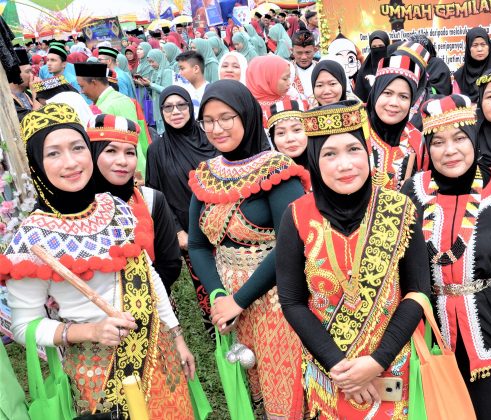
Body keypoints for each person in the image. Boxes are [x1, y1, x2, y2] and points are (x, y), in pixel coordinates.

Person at [3, 103, 195, 418]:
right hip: (99, 372)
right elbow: (24, 325)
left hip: (157, 351)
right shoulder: (32, 238)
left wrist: (176, 335)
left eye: (77, 147)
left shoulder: (115, 208)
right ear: (36, 163)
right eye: (54, 153)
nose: (71, 162)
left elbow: (147, 275)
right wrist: (90, 332)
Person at [277, 99, 431, 419]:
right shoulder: (296, 216)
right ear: (314, 160)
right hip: (331, 374)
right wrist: (338, 366)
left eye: (354, 149)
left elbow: (418, 292)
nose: (345, 164)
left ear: (368, 153)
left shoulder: (400, 209)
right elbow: (292, 301)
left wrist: (376, 361)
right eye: (330, 154)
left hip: (390, 368)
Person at [188, 80, 309, 419]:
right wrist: (218, 297)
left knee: (283, 394)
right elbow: (198, 244)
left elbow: (292, 245)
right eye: (208, 121)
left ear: (246, 116)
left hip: (277, 300)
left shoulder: (278, 170)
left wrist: (238, 301)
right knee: (248, 387)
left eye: (226, 117)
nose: (217, 128)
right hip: (229, 302)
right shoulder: (207, 175)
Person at [401, 94, 491, 419]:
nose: (450, 150)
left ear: (474, 138)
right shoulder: (411, 193)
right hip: (434, 338)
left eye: (459, 138)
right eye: (438, 142)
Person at [146, 85, 218, 336]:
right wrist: (176, 230)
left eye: (181, 105)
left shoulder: (211, 138)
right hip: (189, 231)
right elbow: (156, 194)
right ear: (161, 111)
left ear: (190, 107)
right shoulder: (157, 150)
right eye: (168, 107)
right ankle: (217, 332)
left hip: (224, 223)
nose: (175, 111)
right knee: (205, 282)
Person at [86, 114, 182, 293]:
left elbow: (170, 264)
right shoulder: (75, 207)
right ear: (92, 153)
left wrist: (137, 298)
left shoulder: (152, 200)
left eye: (130, 152)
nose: (122, 161)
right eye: (111, 151)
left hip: (151, 302)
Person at [75, 62, 152, 181]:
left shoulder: (108, 106)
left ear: (94, 83)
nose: (82, 91)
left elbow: (131, 143)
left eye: (82, 86)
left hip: (126, 173)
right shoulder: (120, 100)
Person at [366, 55, 426, 190]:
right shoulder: (354, 130)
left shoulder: (417, 141)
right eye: (387, 93)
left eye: (403, 97)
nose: (394, 103)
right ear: (376, 92)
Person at [454, 27, 491, 101]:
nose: (480, 49)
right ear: (469, 48)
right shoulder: (460, 75)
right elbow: (455, 101)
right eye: (475, 45)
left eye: (483, 44)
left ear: (489, 46)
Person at [246, 55, 295, 127]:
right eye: (285, 79)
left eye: (289, 77)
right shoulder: (248, 109)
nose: (289, 83)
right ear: (267, 79)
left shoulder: (292, 100)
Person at [136, 49, 175, 135]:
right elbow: (153, 93)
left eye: (152, 61)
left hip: (166, 107)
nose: (151, 64)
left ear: (158, 59)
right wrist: (147, 86)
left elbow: (167, 90)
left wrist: (151, 84)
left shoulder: (167, 72)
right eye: (149, 62)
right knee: (161, 132)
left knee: (166, 132)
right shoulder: (156, 72)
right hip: (158, 106)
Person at [268, 98, 310, 169]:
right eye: (281, 133)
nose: (290, 139)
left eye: (297, 130)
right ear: (272, 138)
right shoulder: (267, 172)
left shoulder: (324, 165)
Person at [354, 30, 390, 100]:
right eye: (374, 47)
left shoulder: (394, 66)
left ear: (387, 46)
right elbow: (359, 97)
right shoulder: (364, 71)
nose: (377, 50)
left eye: (381, 46)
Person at [176, 50, 209, 116]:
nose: (179, 73)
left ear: (196, 69)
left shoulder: (210, 92)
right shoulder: (183, 92)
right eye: (179, 69)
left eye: (182, 69)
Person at [291, 30, 319, 100]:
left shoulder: (321, 69)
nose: (304, 57)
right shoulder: (286, 70)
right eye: (299, 53)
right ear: (292, 51)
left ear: (315, 50)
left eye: (308, 52)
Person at [10, 48, 37, 120]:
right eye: (28, 71)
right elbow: (34, 120)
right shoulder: (8, 101)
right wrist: (35, 92)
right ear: (15, 74)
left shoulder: (28, 93)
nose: (31, 75)